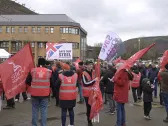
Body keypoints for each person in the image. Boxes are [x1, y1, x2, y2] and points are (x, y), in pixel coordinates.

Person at [26, 58, 52, 126]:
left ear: (38, 63)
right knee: (44, 111)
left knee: (35, 110)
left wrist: (34, 84)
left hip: (34, 94)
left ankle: (34, 124)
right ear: (44, 64)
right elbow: (52, 83)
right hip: (45, 94)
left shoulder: (32, 71)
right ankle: (43, 124)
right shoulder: (49, 71)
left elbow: (27, 81)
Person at [82, 61, 98, 126]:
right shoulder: (84, 73)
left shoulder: (94, 72)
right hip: (87, 94)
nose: (90, 66)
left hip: (93, 93)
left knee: (93, 107)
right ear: (86, 66)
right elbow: (85, 83)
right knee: (89, 107)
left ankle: (92, 118)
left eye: (91, 65)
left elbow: (96, 81)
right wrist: (94, 80)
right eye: (89, 65)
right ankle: (89, 121)